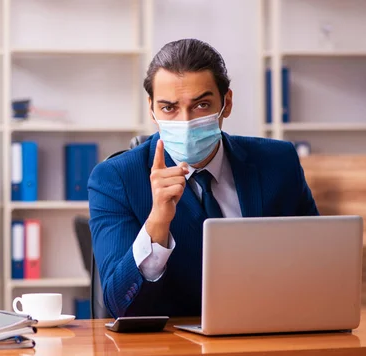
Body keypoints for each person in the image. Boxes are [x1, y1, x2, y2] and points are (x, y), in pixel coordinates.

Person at [88, 38, 319, 318]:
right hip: (174, 350)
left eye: (201, 105)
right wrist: (157, 222)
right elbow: (119, 305)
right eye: (169, 108)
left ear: (226, 103)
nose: (185, 122)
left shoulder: (278, 162)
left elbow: (318, 262)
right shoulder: (115, 179)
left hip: (269, 331)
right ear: (152, 109)